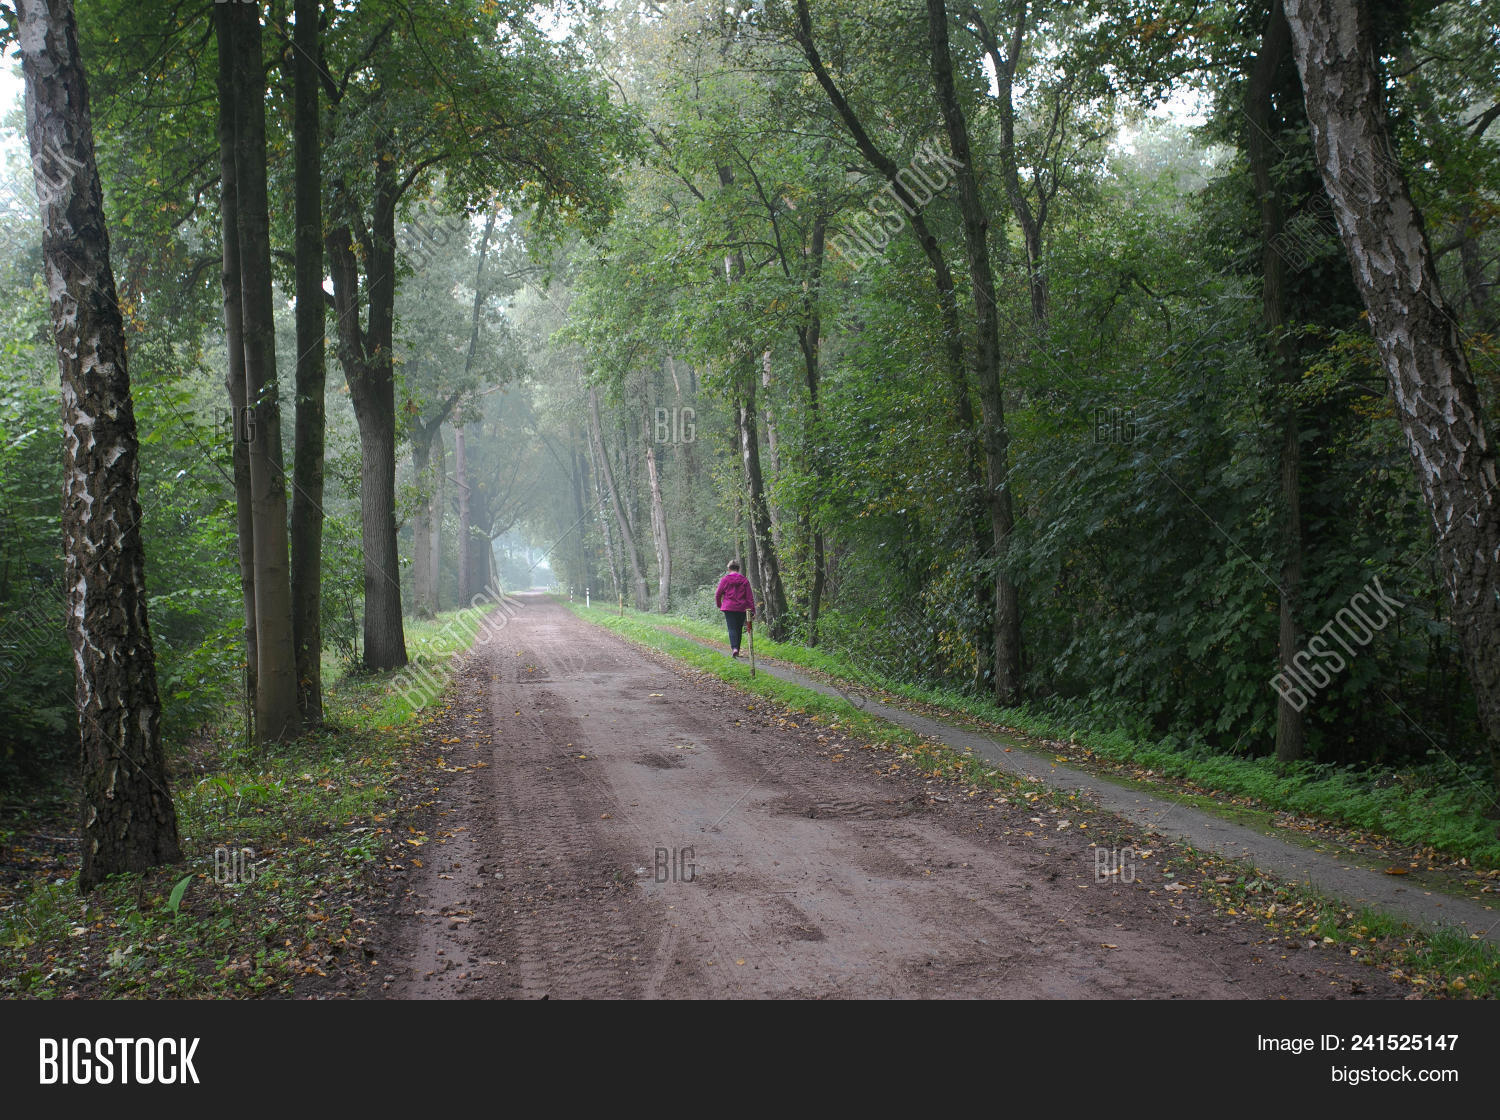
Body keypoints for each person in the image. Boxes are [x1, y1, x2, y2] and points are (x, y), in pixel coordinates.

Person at [714, 560, 756, 658]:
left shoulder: (725, 579)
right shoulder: (744, 580)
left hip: (728, 607)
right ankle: (737, 649)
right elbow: (749, 597)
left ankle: (734, 649)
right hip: (741, 608)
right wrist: (752, 610)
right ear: (738, 568)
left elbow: (718, 594)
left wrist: (719, 605)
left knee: (732, 628)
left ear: (729, 569)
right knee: (738, 629)